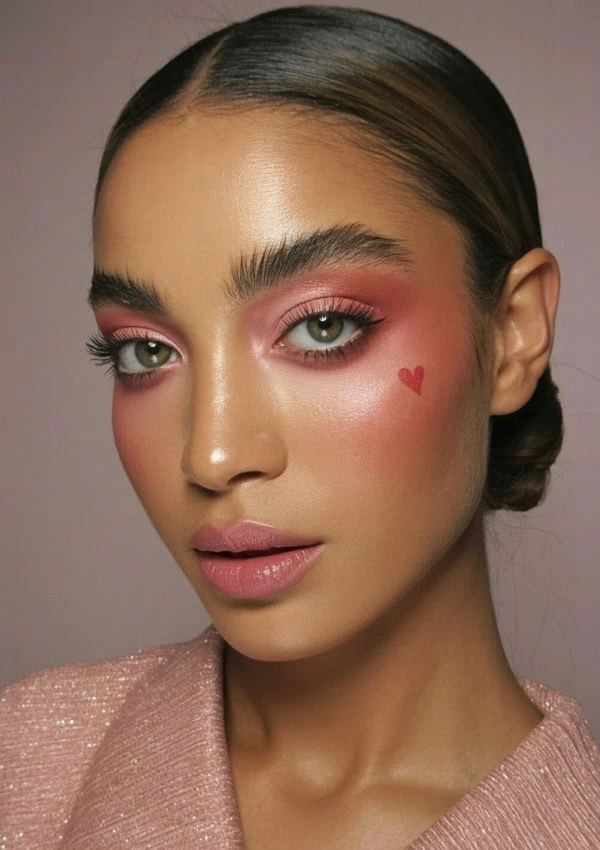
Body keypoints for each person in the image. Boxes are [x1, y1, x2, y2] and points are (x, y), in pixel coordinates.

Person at [1, 5, 599, 848]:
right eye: (142, 351)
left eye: (322, 326)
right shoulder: (21, 767)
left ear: (512, 335)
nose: (210, 454)